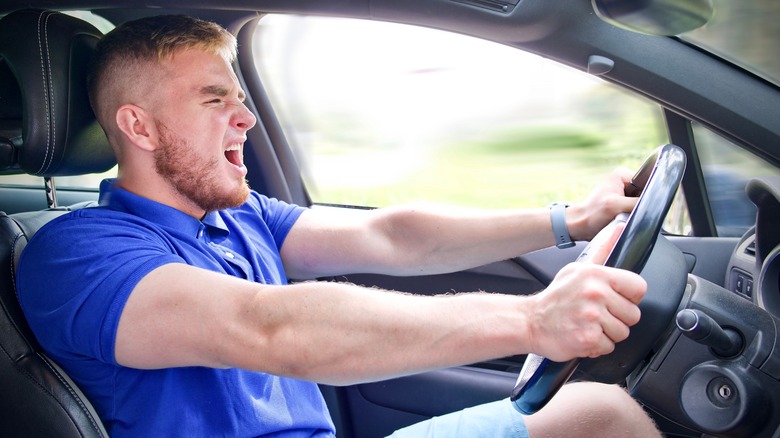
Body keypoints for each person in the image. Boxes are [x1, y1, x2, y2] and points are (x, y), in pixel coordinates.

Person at [16, 14, 660, 438]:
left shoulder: (242, 217)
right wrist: (533, 320)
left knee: (599, 414)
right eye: (216, 101)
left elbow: (394, 238)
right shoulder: (75, 252)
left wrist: (569, 219)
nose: (245, 120)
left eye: (242, 101)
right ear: (139, 127)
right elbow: (267, 328)